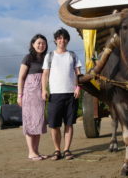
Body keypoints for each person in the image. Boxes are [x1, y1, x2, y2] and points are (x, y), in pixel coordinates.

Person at [42, 28, 82, 160]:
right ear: (55, 40)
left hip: (71, 94)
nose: (62, 40)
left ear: (68, 40)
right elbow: (45, 74)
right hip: (55, 95)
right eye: (59, 38)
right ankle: (57, 150)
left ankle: (67, 150)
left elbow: (78, 74)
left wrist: (78, 88)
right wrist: (44, 89)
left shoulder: (73, 55)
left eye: (64, 38)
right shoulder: (49, 56)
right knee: (54, 125)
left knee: (69, 124)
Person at [18, 34, 48, 161]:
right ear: (33, 44)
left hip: (40, 94)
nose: (41, 45)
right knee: (30, 122)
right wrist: (19, 95)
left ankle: (36, 151)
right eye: (39, 43)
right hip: (29, 94)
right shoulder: (28, 57)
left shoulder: (46, 59)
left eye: (43, 43)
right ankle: (31, 152)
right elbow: (21, 78)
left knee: (38, 122)